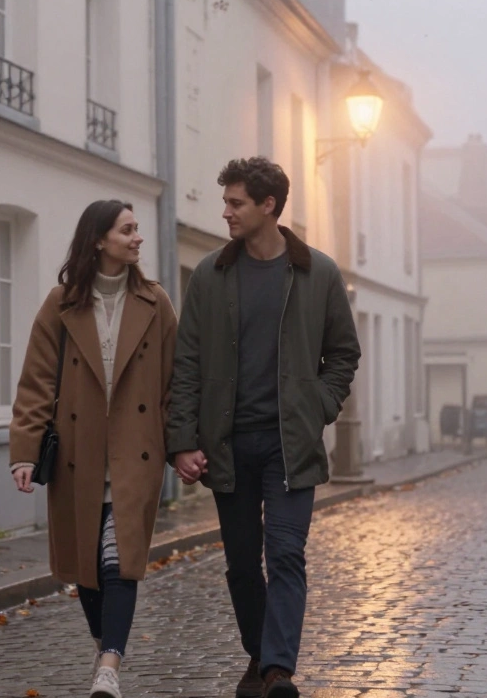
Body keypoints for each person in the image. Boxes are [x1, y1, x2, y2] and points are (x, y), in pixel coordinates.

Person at [167, 157, 360, 698]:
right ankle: (260, 653)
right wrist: (182, 441)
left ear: (268, 206)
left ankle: (277, 671)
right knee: (242, 568)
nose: (225, 212)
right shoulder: (211, 275)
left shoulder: (317, 272)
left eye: (235, 203)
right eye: (227, 201)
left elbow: (343, 354)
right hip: (229, 445)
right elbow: (187, 363)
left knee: (286, 555)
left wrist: (316, 405)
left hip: (289, 445)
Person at [10, 199, 177, 698]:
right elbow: (37, 382)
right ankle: (107, 641)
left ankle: (109, 666)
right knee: (86, 569)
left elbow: (174, 384)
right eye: (127, 230)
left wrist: (182, 445)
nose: (137, 238)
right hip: (77, 456)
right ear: (99, 240)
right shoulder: (60, 305)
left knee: (117, 559)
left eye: (137, 230)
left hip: (136, 453)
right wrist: (24, 449)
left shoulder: (156, 302)